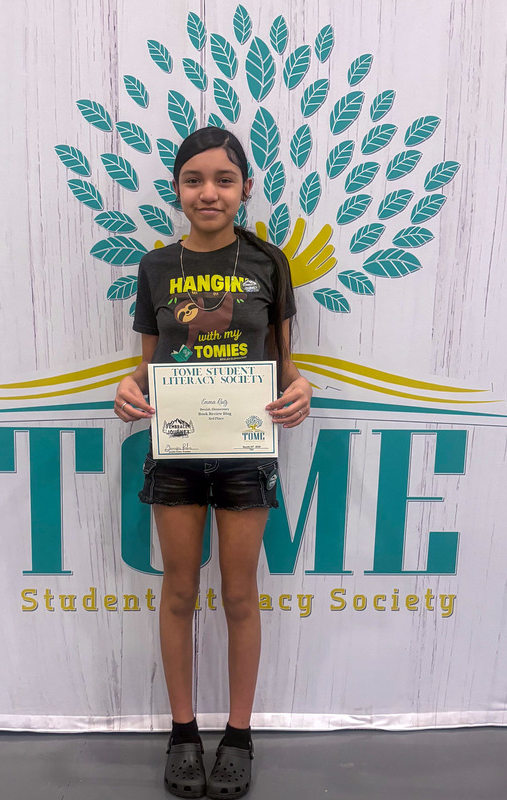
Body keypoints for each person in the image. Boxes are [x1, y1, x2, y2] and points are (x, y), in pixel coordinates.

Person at [114, 126, 311, 799]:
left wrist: (302, 391)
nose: (209, 192)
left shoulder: (270, 264)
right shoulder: (154, 267)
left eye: (224, 180)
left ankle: (239, 734)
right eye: (194, 179)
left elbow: (287, 367)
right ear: (176, 189)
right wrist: (129, 392)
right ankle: (182, 732)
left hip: (245, 457)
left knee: (237, 594)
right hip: (175, 452)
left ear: (246, 189)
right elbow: (145, 370)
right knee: (177, 591)